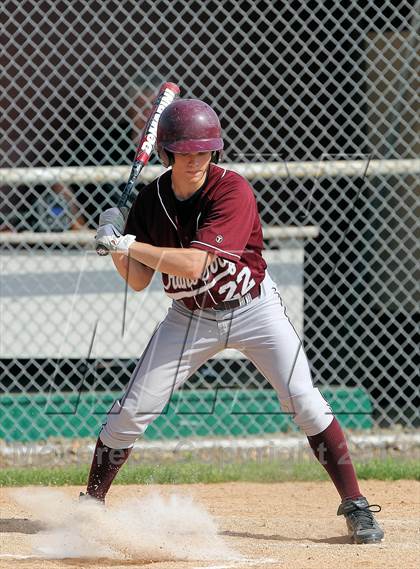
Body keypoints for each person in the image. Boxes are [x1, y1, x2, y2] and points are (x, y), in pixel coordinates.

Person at [82, 99, 384, 545]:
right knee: (132, 410)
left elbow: (193, 267)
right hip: (190, 317)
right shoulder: (151, 200)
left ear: (215, 153)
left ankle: (355, 505)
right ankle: (90, 506)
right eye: (185, 153)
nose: (195, 161)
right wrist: (117, 250)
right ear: (166, 155)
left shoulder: (232, 190)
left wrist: (127, 241)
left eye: (203, 152)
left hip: (253, 310)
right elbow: (140, 280)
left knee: (304, 399)